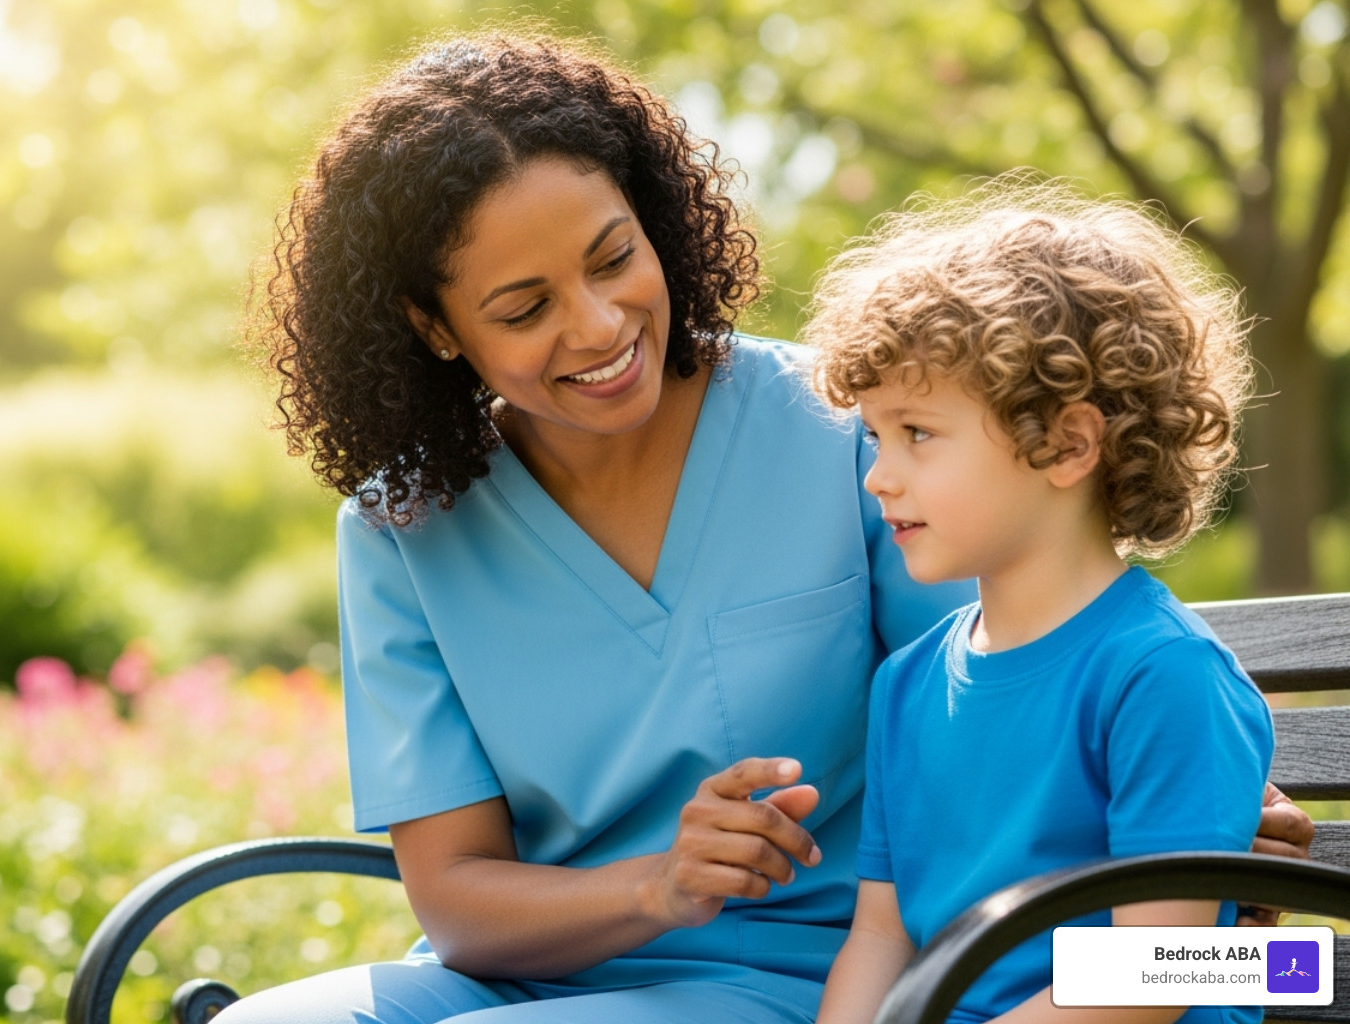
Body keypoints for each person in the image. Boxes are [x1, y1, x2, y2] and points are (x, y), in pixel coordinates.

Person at [221, 33, 1310, 1024]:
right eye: (523, 306)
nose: (598, 326)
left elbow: (1200, 939)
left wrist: (1229, 894)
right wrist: (660, 884)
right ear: (433, 327)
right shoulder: (400, 528)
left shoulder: (842, 433)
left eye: (613, 258)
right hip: (578, 974)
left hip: (817, 976)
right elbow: (456, 898)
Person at [806, 179, 1273, 1024]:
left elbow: (1161, 974)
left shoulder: (1163, 673)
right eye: (875, 435)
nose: (879, 474)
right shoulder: (908, 684)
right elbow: (881, 938)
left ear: (1066, 444)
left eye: (918, 432)